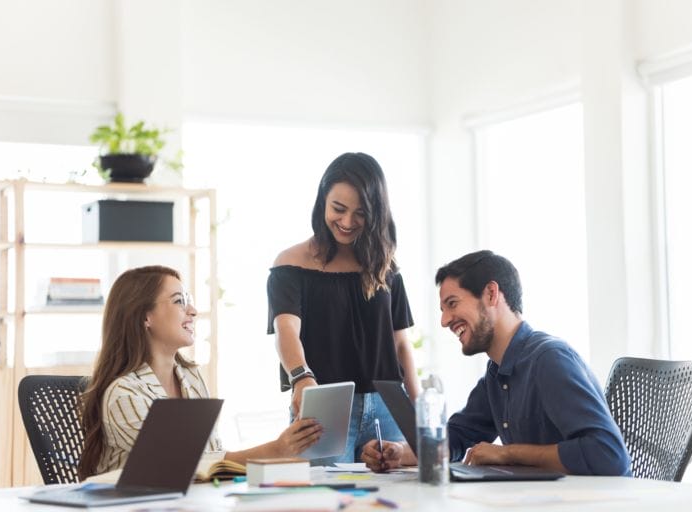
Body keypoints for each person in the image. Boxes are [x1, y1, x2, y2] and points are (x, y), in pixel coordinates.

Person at [361, 250, 631, 476]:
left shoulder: (549, 360)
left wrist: (507, 454)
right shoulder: (497, 374)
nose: (444, 321)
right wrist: (399, 452)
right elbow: (457, 436)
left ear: (491, 294)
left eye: (452, 303)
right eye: (443, 310)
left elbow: (608, 455)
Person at [78, 266, 322, 480]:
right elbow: (182, 467)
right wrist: (275, 451)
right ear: (145, 316)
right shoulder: (124, 394)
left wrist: (280, 454)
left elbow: (211, 456)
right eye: (179, 301)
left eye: (189, 300)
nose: (193, 311)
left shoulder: (190, 378)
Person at [267, 152, 420, 463]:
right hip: (325, 406)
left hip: (390, 405)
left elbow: (401, 344)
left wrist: (418, 411)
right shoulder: (290, 265)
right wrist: (301, 378)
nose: (347, 222)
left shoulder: (385, 267)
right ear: (323, 199)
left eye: (360, 213)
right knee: (324, 501)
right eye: (339, 209)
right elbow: (286, 330)